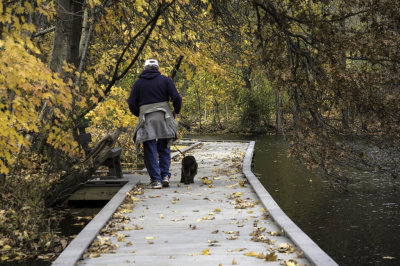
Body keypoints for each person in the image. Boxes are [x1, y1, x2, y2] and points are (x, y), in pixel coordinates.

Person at [128, 59, 182, 189]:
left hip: (146, 119)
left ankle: (156, 181)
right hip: (164, 117)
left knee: (150, 149)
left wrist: (139, 114)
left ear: (145, 68)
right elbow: (177, 98)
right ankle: (164, 176)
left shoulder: (138, 83)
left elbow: (131, 102)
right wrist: (176, 112)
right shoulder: (165, 80)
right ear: (157, 68)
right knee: (164, 147)